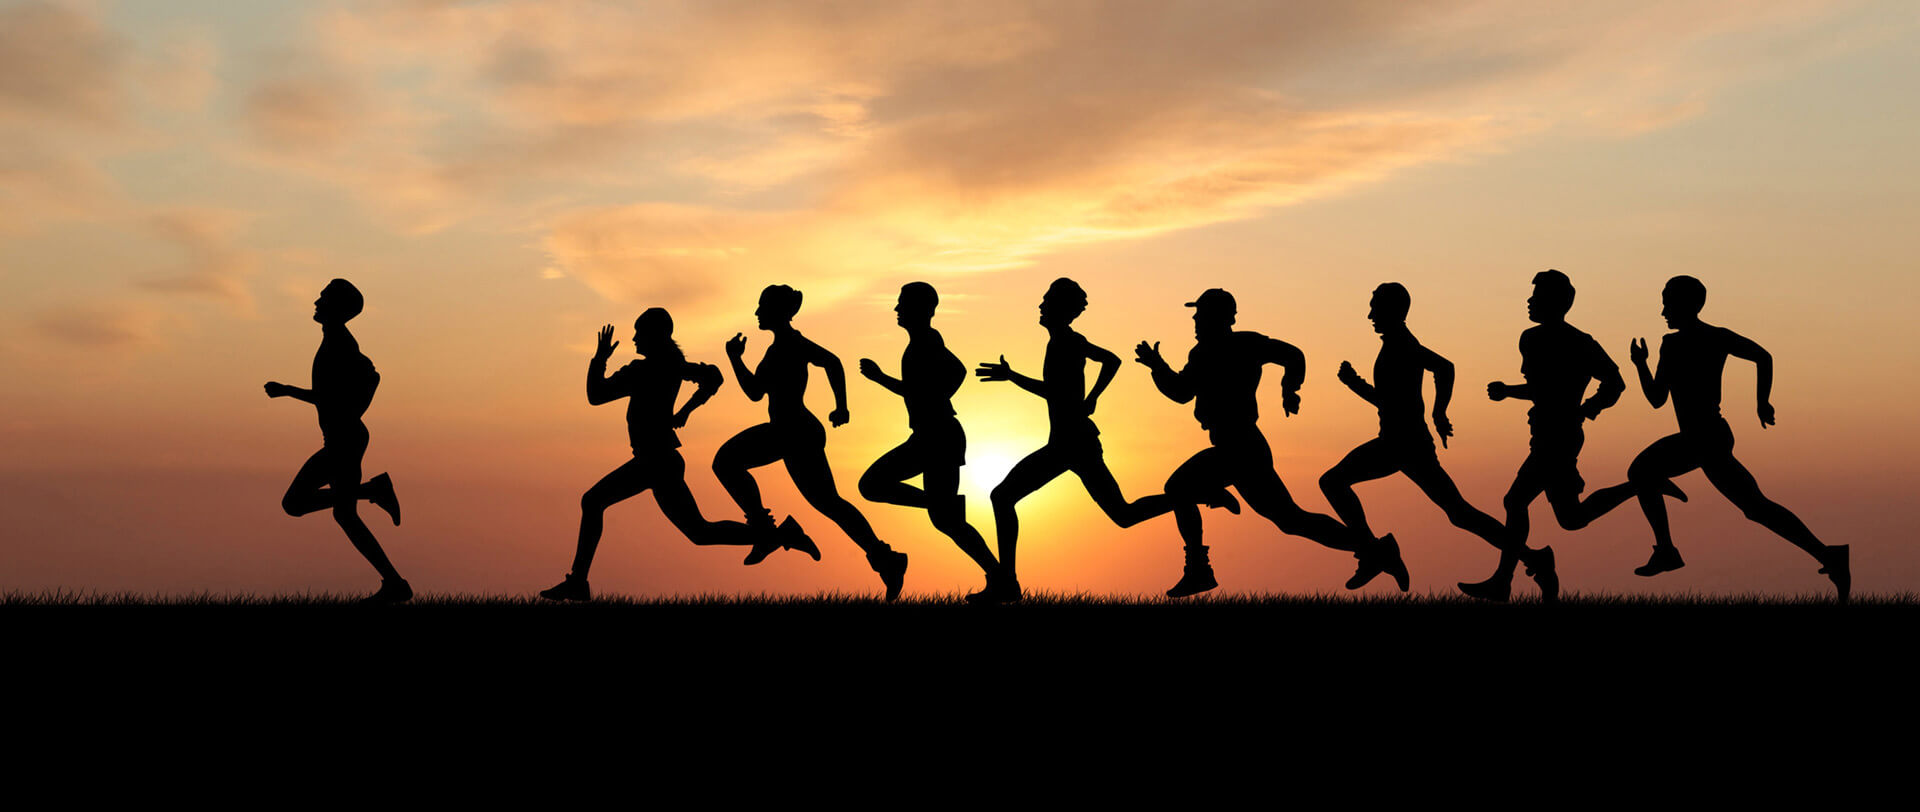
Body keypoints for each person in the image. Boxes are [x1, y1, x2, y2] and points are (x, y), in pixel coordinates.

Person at [1134, 289, 1402, 598]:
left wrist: (1290, 388)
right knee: (1292, 520)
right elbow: (1181, 392)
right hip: (1236, 448)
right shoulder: (1201, 353)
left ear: (1220, 318)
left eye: (1201, 313)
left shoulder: (1246, 343)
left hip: (1241, 447)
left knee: (1179, 489)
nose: (1195, 319)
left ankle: (1199, 569)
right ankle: (1375, 549)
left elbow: (1293, 356)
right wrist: (1157, 366)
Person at [540, 309, 804, 602]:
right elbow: (713, 376)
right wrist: (687, 410)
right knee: (700, 532)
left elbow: (595, 395)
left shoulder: (641, 371)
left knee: (593, 501)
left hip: (654, 461)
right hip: (663, 461)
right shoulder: (673, 367)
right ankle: (780, 536)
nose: (635, 338)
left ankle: (578, 582)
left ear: (656, 336)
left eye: (640, 333)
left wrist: (600, 357)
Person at [1619, 275, 1849, 599]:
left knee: (1641, 471)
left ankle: (1667, 550)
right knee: (1756, 507)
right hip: (1710, 437)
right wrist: (1761, 401)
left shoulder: (1676, 344)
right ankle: (1829, 556)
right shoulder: (1712, 338)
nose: (1663, 312)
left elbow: (1656, 399)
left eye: (1667, 303)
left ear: (1687, 304)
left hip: (1703, 438)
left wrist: (1640, 366)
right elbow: (1763, 357)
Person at [1461, 270, 1663, 602]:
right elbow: (1543, 389)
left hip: (1562, 435)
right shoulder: (1530, 338)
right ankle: (1639, 487)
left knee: (1515, 501)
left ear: (1556, 303)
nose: (1529, 301)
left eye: (1536, 296)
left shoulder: (1580, 343)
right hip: (1542, 431)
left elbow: (1613, 382)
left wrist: (1589, 408)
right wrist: (1512, 392)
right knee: (1571, 517)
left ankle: (1502, 582)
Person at [974, 278, 1172, 603]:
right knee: (1123, 514)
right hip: (1070, 444)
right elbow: (1099, 367)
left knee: (1002, 496)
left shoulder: (1067, 341)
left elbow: (1105, 364)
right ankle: (1187, 496)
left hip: (1072, 444)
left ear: (1058, 309)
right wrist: (1016, 379)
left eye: (1046, 301)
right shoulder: (1062, 342)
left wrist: (1090, 396)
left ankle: (1007, 583)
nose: (1040, 306)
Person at [714, 284, 910, 601]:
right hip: (787, 431)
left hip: (795, 431)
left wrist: (842, 405)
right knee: (828, 502)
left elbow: (832, 362)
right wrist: (735, 359)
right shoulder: (776, 348)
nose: (757, 313)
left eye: (762, 308)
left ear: (779, 312)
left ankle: (766, 531)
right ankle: (885, 557)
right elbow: (754, 392)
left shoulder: (792, 343)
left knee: (728, 462)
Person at [1318, 283, 1510, 592]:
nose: (1369, 315)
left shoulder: (1401, 345)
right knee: (1459, 513)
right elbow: (1416, 384)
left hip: (1401, 444)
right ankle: (1532, 558)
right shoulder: (1397, 343)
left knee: (1333, 482)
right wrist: (1437, 412)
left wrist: (1438, 412)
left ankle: (1377, 552)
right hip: (1406, 444)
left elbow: (1433, 375)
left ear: (1393, 311)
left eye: (1375, 308)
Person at [264, 279, 409, 603]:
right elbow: (364, 378)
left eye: (324, 298)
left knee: (297, 504)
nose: (316, 301)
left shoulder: (338, 344)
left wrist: (287, 390)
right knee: (343, 514)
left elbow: (330, 396)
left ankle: (375, 494)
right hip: (344, 438)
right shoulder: (335, 341)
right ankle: (395, 583)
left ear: (338, 308)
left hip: (344, 441)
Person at [857, 283, 1002, 597]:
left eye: (901, 304)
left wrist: (884, 379)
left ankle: (999, 578)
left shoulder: (926, 339)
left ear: (920, 309)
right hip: (929, 436)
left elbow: (951, 375)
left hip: (938, 437)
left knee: (876, 487)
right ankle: (999, 576)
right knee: (944, 519)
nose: (896, 310)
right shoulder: (921, 341)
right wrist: (932, 394)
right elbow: (942, 378)